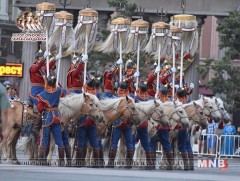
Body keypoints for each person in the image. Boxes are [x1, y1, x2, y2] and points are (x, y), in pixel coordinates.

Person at [37, 76, 65, 166]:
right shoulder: (59, 91)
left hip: (47, 116)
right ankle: (61, 161)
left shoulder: (42, 94)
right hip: (56, 116)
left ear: (47, 83)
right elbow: (63, 90)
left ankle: (42, 159)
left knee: (45, 139)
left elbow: (40, 108)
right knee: (59, 140)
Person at [107, 81, 134, 169]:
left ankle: (111, 163)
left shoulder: (115, 98)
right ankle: (129, 164)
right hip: (127, 123)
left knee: (114, 143)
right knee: (129, 143)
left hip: (118, 123)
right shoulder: (131, 99)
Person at [75, 78, 99, 167]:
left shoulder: (83, 96)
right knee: (85, 142)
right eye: (90, 88)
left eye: (91, 89)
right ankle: (82, 161)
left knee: (89, 142)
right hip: (85, 122)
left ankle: (80, 162)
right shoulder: (93, 97)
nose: (91, 90)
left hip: (87, 122)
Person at [134, 81, 154, 169]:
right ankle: (150, 163)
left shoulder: (135, 99)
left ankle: (129, 162)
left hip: (136, 125)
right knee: (146, 144)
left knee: (131, 143)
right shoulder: (149, 99)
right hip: (143, 124)